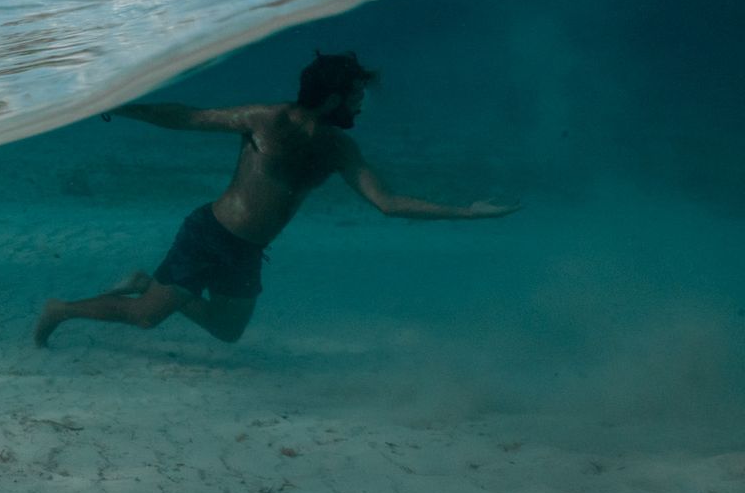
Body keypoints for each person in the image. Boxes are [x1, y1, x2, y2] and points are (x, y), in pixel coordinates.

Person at [34, 52, 517, 347]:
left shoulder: (339, 148)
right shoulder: (267, 119)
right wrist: (120, 106)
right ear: (332, 98)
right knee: (144, 319)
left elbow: (387, 202)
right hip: (209, 234)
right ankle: (61, 308)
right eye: (355, 96)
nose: (360, 104)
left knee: (227, 332)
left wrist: (467, 213)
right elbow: (189, 117)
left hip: (245, 252)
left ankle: (146, 280)